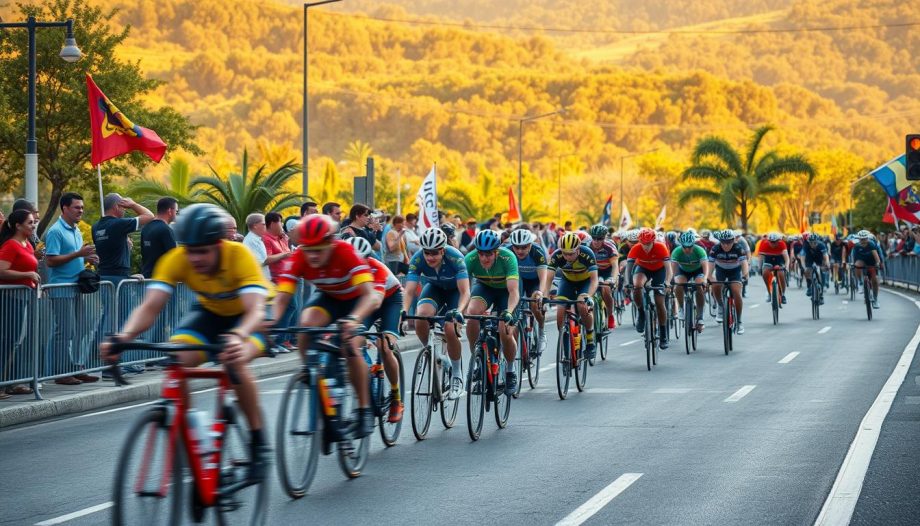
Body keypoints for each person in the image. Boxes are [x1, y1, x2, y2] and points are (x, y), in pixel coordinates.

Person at [101, 203, 272, 482]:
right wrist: (124, 336)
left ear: (219, 244)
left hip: (248, 319)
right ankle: (196, 438)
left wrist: (239, 337)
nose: (195, 258)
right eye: (190, 250)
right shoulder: (178, 258)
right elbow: (150, 306)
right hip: (210, 314)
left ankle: (258, 443)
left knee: (235, 361)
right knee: (177, 359)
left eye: (203, 250)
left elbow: (255, 310)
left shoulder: (239, 255)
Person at [271, 215, 379, 437]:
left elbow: (370, 296)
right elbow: (281, 298)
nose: (312, 256)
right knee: (306, 325)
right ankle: (311, 373)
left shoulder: (345, 252)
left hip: (356, 301)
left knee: (349, 345)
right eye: (308, 249)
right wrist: (269, 322)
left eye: (318, 250)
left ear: (331, 242)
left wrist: (354, 320)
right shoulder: (300, 255)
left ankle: (363, 409)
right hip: (329, 298)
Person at [402, 228, 470, 399]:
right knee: (421, 315)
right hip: (434, 289)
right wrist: (403, 311)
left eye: (434, 253)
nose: (430, 257)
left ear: (443, 250)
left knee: (450, 327)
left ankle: (456, 374)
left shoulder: (455, 257)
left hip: (455, 292)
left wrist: (459, 311)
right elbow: (409, 291)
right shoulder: (418, 258)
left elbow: (465, 292)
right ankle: (430, 352)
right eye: (427, 253)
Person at [345, 236, 405, 423]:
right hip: (365, 300)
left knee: (384, 346)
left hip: (389, 300)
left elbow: (376, 300)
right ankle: (368, 367)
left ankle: (396, 398)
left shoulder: (376, 267)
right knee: (351, 341)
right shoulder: (343, 268)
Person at [44, 192, 100, 385]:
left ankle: (76, 367)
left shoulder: (75, 230)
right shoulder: (55, 231)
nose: (81, 211)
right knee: (65, 331)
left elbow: (72, 256)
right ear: (65, 208)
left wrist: (86, 258)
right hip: (61, 288)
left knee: (80, 329)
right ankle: (61, 372)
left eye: (82, 207)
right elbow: (50, 260)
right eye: (77, 207)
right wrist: (79, 253)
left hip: (77, 287)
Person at [464, 230, 520, 392]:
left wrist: (509, 312)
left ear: (496, 252)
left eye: (488, 254)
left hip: (506, 291)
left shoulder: (508, 258)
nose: (484, 258)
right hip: (485, 288)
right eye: (481, 254)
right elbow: (463, 290)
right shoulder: (470, 259)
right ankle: (478, 357)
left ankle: (510, 370)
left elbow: (514, 292)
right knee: (472, 313)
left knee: (504, 328)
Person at [0, 209, 40, 397]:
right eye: (30, 222)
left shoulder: (27, 245)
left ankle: (9, 383)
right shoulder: (10, 245)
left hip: (22, 297)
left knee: (14, 341)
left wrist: (32, 283)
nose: (33, 225)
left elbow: (30, 268)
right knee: (6, 341)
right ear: (18, 225)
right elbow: (2, 271)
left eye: (34, 222)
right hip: (9, 299)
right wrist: (27, 275)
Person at [544, 232, 600, 358]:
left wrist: (589, 296)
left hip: (585, 282)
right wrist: (544, 296)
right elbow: (548, 279)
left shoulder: (587, 254)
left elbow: (594, 280)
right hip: (567, 281)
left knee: (581, 304)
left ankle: (590, 338)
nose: (567, 256)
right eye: (564, 253)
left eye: (571, 253)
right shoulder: (557, 255)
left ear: (578, 250)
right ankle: (565, 347)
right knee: (560, 309)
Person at [92, 193, 154, 284]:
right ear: (117, 207)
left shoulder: (95, 227)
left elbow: (107, 249)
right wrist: (133, 204)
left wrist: (125, 246)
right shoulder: (118, 224)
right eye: (124, 207)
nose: (125, 211)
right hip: (118, 280)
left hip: (103, 279)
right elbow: (149, 216)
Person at [626, 228, 673, 348]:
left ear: (653, 241)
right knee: (637, 286)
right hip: (642, 268)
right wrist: (627, 283)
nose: (645, 246)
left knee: (659, 303)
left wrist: (667, 282)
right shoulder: (636, 248)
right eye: (643, 243)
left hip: (659, 271)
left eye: (648, 244)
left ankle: (663, 333)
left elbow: (669, 269)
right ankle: (641, 312)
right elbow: (629, 268)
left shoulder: (661, 247)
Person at [506, 228, 550, 355]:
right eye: (517, 247)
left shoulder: (537, 252)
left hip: (535, 281)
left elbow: (543, 279)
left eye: (524, 247)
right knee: (515, 305)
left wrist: (541, 293)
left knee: (535, 301)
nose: (519, 251)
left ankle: (541, 332)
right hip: (519, 280)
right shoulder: (508, 251)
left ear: (530, 245)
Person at [707, 230, 749, 333]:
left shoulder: (739, 248)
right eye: (723, 242)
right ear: (720, 241)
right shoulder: (715, 249)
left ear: (733, 241)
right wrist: (709, 276)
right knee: (715, 286)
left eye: (729, 242)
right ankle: (721, 306)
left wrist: (745, 275)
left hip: (735, 271)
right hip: (721, 270)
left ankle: (739, 321)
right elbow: (711, 265)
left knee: (736, 292)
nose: (726, 245)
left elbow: (744, 263)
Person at [670, 231, 709, 331]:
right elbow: (673, 270)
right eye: (685, 247)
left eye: (690, 247)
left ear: (693, 244)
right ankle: (681, 308)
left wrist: (705, 279)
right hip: (683, 270)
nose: (687, 249)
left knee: (699, 285)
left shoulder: (699, 250)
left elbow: (706, 268)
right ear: (681, 245)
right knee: (678, 284)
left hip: (698, 270)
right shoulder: (676, 251)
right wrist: (672, 280)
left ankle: (700, 317)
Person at [587, 224, 619, 330]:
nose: (596, 241)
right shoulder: (587, 246)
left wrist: (613, 279)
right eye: (594, 238)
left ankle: (610, 315)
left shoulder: (610, 248)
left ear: (604, 238)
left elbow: (615, 267)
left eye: (599, 238)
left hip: (607, 271)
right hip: (593, 271)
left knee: (606, 289)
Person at [140, 198, 178, 279]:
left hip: (147, 278)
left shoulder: (146, 228)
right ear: (170, 211)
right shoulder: (166, 230)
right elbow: (174, 257)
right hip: (162, 280)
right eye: (176, 211)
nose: (176, 214)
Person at [851, 230, 881, 309]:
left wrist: (878, 263)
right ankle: (860, 283)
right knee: (857, 265)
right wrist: (853, 264)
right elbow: (854, 259)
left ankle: (875, 299)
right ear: (859, 239)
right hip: (862, 261)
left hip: (871, 262)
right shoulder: (857, 246)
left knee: (875, 280)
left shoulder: (871, 244)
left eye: (864, 239)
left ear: (867, 239)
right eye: (861, 239)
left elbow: (876, 255)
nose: (863, 241)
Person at [758, 233, 789, 304]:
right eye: (771, 242)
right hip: (768, 259)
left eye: (775, 242)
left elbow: (787, 258)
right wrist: (759, 268)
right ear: (768, 241)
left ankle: (783, 294)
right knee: (765, 273)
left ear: (778, 241)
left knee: (781, 274)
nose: (773, 244)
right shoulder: (764, 244)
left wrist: (787, 267)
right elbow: (760, 258)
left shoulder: (782, 244)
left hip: (779, 259)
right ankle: (769, 293)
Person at [798, 232, 829, 305]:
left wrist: (827, 264)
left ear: (817, 241)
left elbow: (825, 256)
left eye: (815, 243)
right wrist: (803, 267)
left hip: (819, 259)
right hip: (809, 259)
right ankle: (809, 286)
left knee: (821, 271)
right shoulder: (805, 246)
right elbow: (802, 257)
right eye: (811, 243)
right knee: (807, 271)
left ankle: (821, 294)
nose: (813, 244)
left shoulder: (821, 245)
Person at [242, 213, 274, 282]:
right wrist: (284, 255)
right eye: (264, 224)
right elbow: (260, 262)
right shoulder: (251, 240)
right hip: (259, 281)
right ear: (255, 226)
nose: (266, 226)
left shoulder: (256, 239)